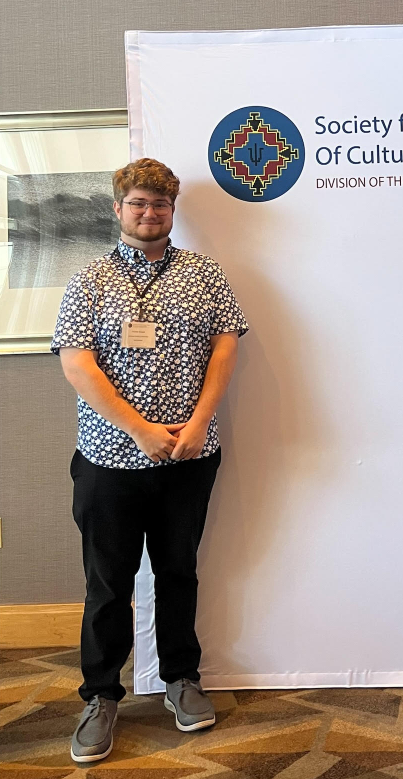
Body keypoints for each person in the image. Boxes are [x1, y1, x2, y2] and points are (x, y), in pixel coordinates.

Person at [52, 158, 249, 762]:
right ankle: (101, 696)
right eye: (137, 203)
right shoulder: (89, 281)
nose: (149, 213)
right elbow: (77, 364)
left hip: (189, 457)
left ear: (172, 210)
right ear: (118, 209)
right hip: (110, 459)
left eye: (160, 205)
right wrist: (139, 431)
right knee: (107, 583)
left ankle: (181, 680)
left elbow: (224, 349)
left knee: (178, 572)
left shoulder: (204, 275)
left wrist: (197, 425)